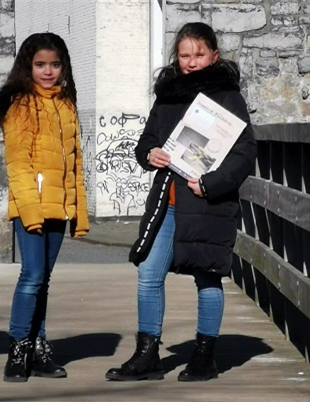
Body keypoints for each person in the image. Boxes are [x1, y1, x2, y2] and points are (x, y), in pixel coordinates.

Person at [105, 22, 257, 382]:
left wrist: (211, 184)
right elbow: (147, 140)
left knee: (207, 276)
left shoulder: (228, 97)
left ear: (214, 56)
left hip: (208, 203)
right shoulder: (168, 95)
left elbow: (245, 152)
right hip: (168, 202)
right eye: (185, 55)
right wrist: (150, 154)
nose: (191, 62)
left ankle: (204, 358)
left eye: (199, 54)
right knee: (148, 273)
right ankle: (147, 356)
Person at [0, 32, 89, 383]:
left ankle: (38, 346)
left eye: (55, 64)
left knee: (43, 279)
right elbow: (18, 165)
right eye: (40, 65)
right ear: (27, 67)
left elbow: (75, 164)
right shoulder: (20, 105)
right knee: (31, 276)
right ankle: (18, 349)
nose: (48, 72)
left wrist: (78, 213)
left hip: (59, 208)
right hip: (31, 206)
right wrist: (30, 212)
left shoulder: (66, 104)